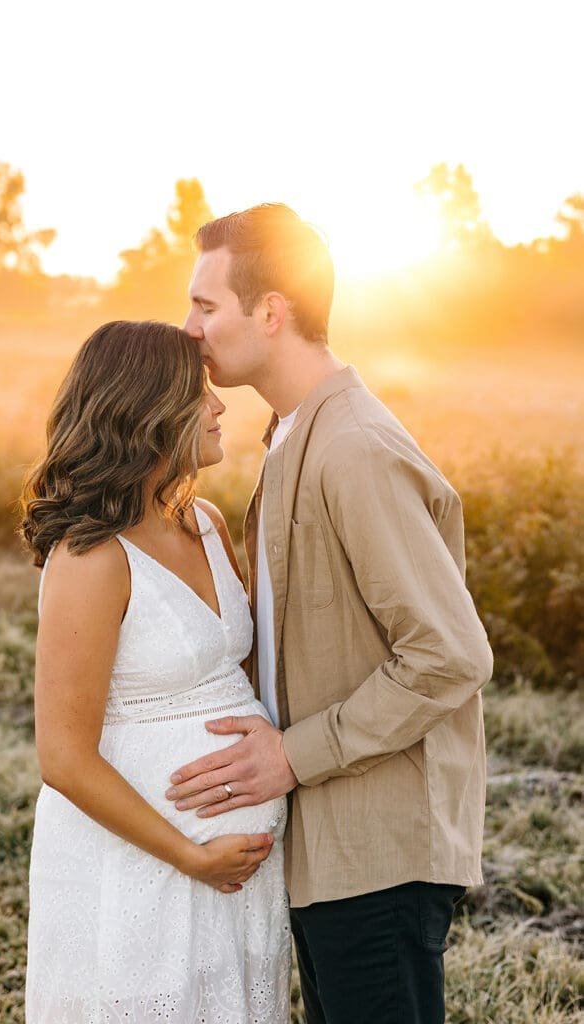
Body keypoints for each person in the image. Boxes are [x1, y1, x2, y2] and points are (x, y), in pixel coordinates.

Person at [166, 205, 494, 1023]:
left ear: (270, 311)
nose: (189, 329)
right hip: (331, 847)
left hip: (378, 855)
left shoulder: (352, 450)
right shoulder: (291, 437)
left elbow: (450, 655)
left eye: (206, 307)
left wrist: (292, 756)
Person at [20, 320, 290, 1023]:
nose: (220, 406)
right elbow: (63, 757)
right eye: (199, 394)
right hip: (141, 866)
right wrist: (188, 855)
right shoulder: (91, 559)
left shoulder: (204, 521)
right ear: (148, 410)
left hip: (235, 873)